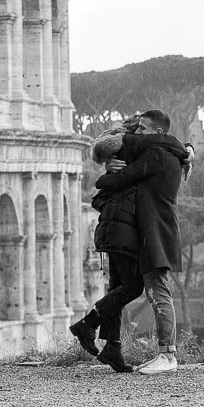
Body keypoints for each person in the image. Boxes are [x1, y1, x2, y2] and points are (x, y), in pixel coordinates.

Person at [89, 109, 190, 375]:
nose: (138, 133)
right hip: (156, 233)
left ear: (157, 133)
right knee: (155, 292)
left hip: (157, 234)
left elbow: (118, 175)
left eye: (144, 129)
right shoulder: (166, 153)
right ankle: (161, 354)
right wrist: (186, 149)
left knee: (159, 293)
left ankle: (168, 356)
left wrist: (106, 172)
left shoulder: (158, 154)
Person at [67, 117, 152, 372]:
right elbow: (102, 182)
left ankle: (113, 348)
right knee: (133, 286)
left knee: (116, 287)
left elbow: (101, 185)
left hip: (111, 230)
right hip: (120, 232)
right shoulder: (135, 150)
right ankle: (87, 324)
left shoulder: (123, 159)